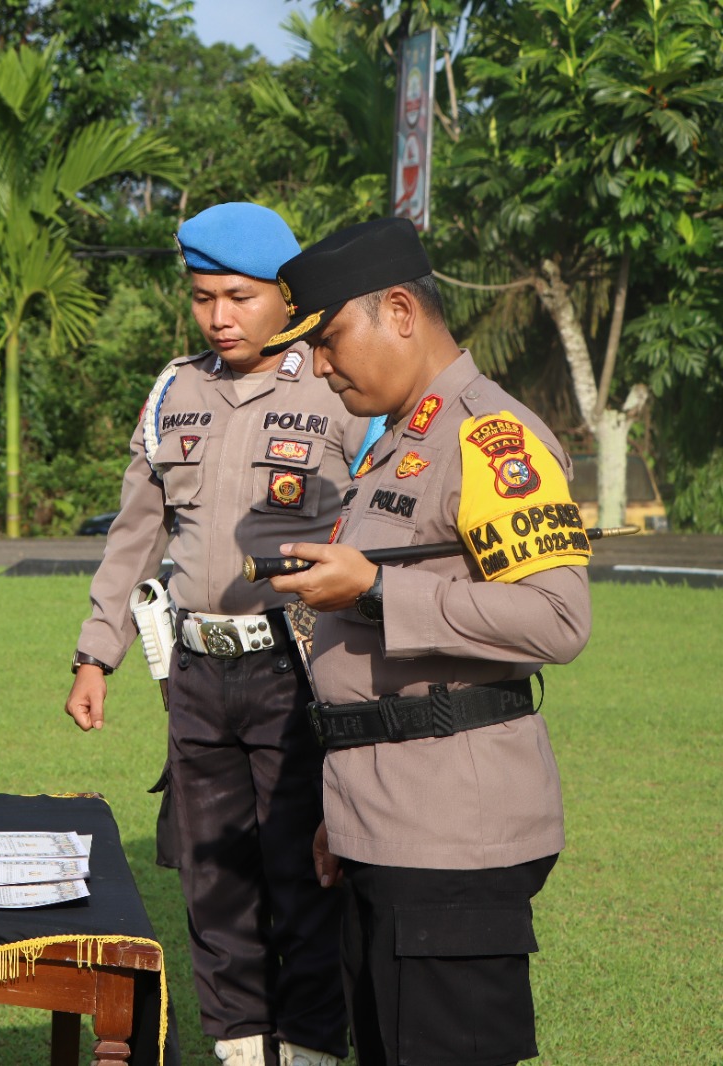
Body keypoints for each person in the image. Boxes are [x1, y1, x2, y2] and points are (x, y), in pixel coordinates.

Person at [263, 218, 592, 1066]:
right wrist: (344, 812)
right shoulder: (401, 444)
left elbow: (559, 618)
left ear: (401, 311)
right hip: (384, 820)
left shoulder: (490, 438)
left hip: (452, 834)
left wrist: (374, 588)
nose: (321, 367)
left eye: (330, 339)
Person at [66, 203, 371, 1066]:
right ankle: (240, 1051)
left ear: (285, 293)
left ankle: (309, 1051)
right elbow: (133, 535)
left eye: (237, 296)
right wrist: (96, 655)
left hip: (300, 665)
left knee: (303, 874)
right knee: (213, 879)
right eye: (202, 298)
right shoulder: (175, 391)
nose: (219, 317)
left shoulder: (339, 386)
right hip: (195, 671)